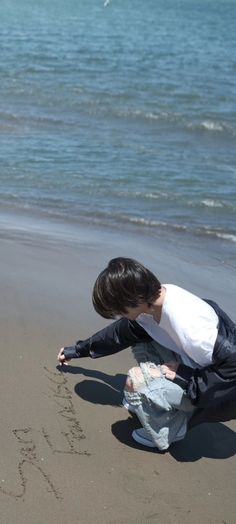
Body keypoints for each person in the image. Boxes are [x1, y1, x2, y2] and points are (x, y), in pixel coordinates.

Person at [57, 257, 236, 451]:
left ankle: (172, 429)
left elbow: (232, 366)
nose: (119, 315)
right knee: (141, 340)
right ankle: (157, 402)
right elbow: (120, 333)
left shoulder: (191, 328)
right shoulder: (152, 303)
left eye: (118, 310)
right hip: (202, 369)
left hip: (219, 392)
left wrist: (186, 376)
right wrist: (77, 350)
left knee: (136, 381)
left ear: (131, 300)